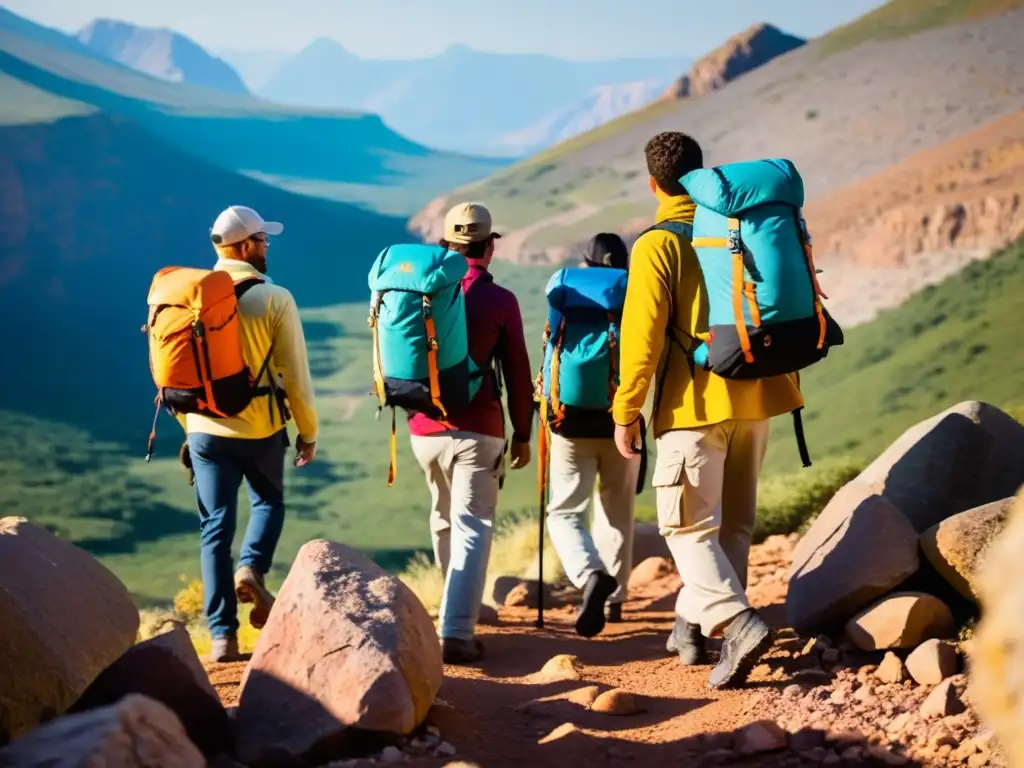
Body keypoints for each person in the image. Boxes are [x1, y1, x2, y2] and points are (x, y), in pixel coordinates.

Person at [611, 133, 803, 689]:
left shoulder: (658, 244)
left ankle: (737, 624)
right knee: (734, 527)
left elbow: (641, 338)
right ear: (701, 174)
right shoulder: (736, 223)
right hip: (758, 397)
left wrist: (627, 410)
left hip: (694, 407)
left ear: (654, 184)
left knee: (687, 528)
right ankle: (696, 630)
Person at [179, 204, 319, 663]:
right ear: (244, 246)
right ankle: (252, 568)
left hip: (202, 429)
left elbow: (173, 372)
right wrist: (307, 433)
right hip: (258, 427)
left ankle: (222, 637)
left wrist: (190, 428)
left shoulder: (191, 295)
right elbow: (296, 376)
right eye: (262, 240)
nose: (266, 247)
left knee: (213, 530)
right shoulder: (274, 297)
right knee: (268, 502)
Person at [408, 202, 535, 665]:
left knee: (442, 517)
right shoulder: (500, 300)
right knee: (473, 524)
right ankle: (457, 631)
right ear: (489, 246)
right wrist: (523, 433)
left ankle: (451, 609)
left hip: (423, 429)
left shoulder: (422, 290)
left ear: (446, 244)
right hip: (479, 430)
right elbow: (518, 373)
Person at [542, 233, 639, 638]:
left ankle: (590, 575)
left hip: (570, 421)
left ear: (588, 263)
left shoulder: (564, 289)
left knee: (564, 511)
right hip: (622, 420)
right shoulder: (636, 292)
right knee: (618, 510)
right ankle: (615, 601)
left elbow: (550, 341)